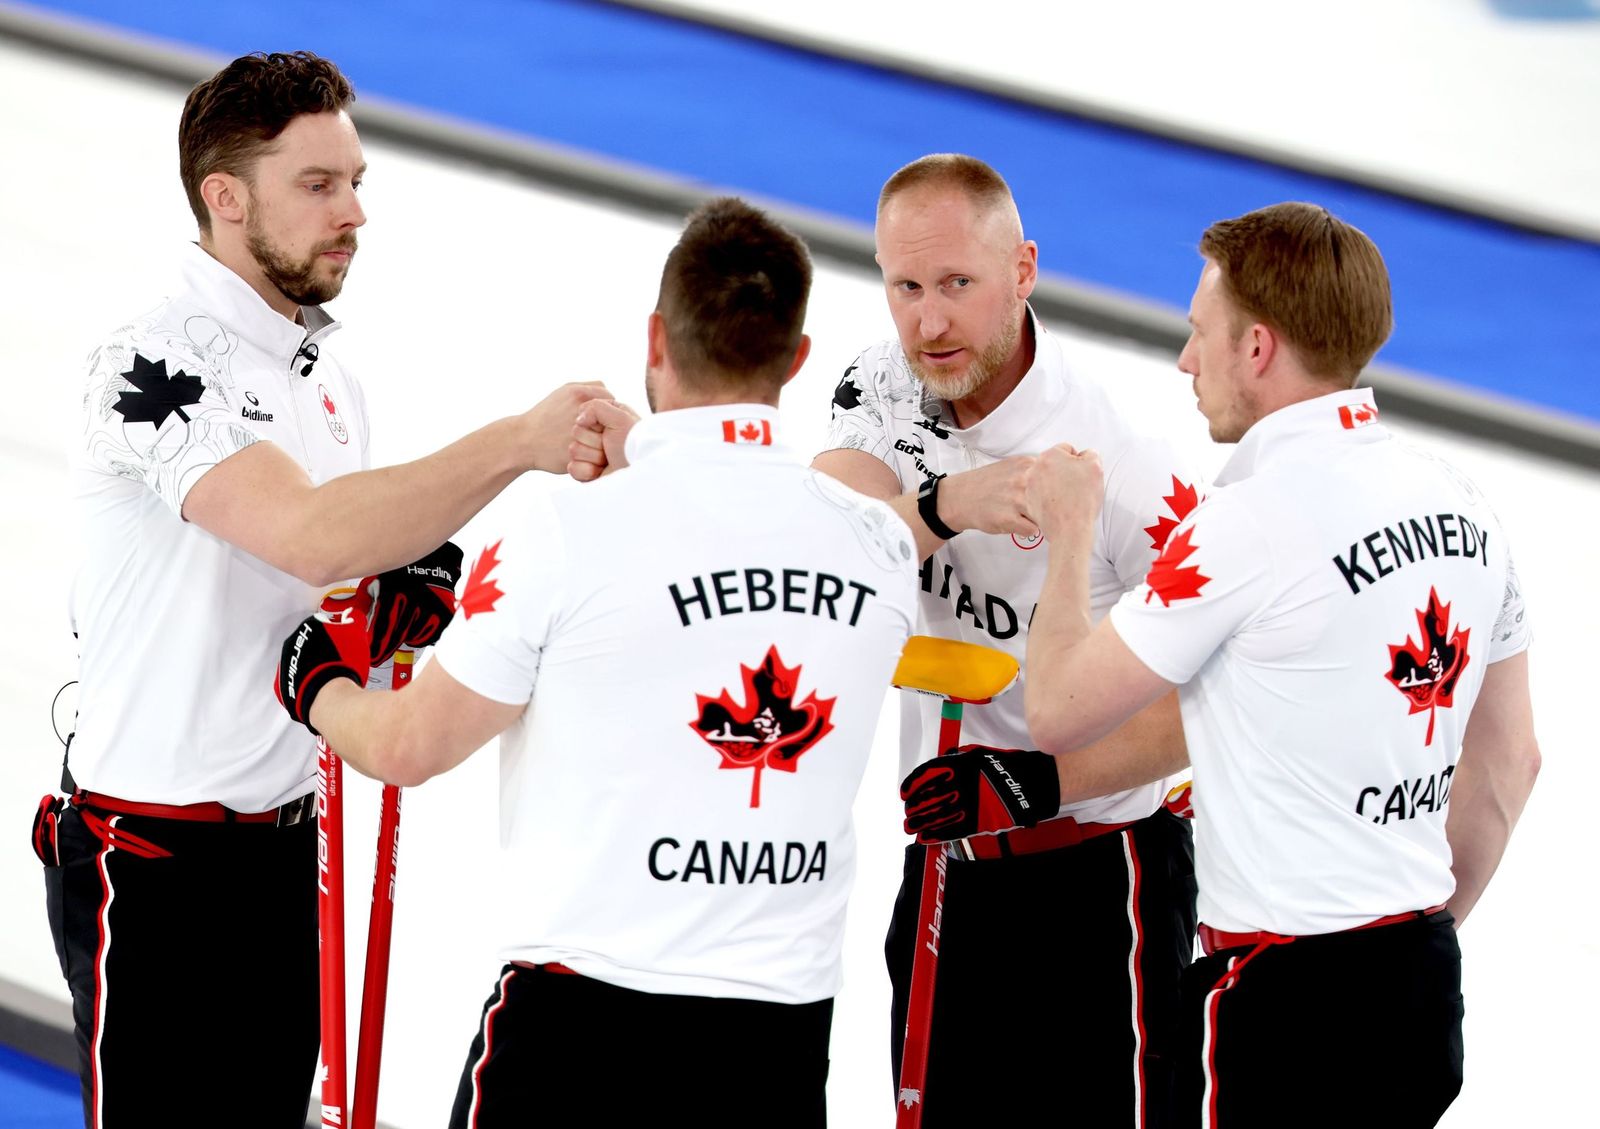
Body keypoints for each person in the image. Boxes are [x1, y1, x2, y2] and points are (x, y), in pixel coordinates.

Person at [33, 50, 607, 1127]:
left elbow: (330, 570)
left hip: (293, 846)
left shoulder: (327, 377)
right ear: (225, 197)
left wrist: (400, 582)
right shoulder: (152, 364)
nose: (354, 213)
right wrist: (517, 442)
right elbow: (302, 532)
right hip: (151, 861)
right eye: (318, 184)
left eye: (355, 181)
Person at [273, 196, 919, 1128]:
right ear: (798, 358)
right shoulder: (880, 548)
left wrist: (317, 680)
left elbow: (409, 746)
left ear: (655, 339)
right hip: (775, 1047)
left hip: (575, 1035)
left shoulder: (568, 529)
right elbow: (744, 529)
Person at [903, 201, 1541, 1127]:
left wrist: (1072, 526)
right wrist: (1413, 946)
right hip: (1421, 994)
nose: (1185, 361)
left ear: (1258, 347)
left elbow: (1061, 705)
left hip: (1279, 1010)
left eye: (1201, 334)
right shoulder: (1465, 504)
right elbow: (1512, 761)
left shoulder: (1245, 524)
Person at [812, 153, 1200, 1126]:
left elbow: (1216, 695)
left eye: (957, 284)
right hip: (947, 862)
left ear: (1023, 271)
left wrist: (1044, 784)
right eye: (905, 286)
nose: (928, 323)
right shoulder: (880, 384)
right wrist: (950, 504)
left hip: (1102, 878)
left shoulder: (1119, 458)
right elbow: (828, 559)